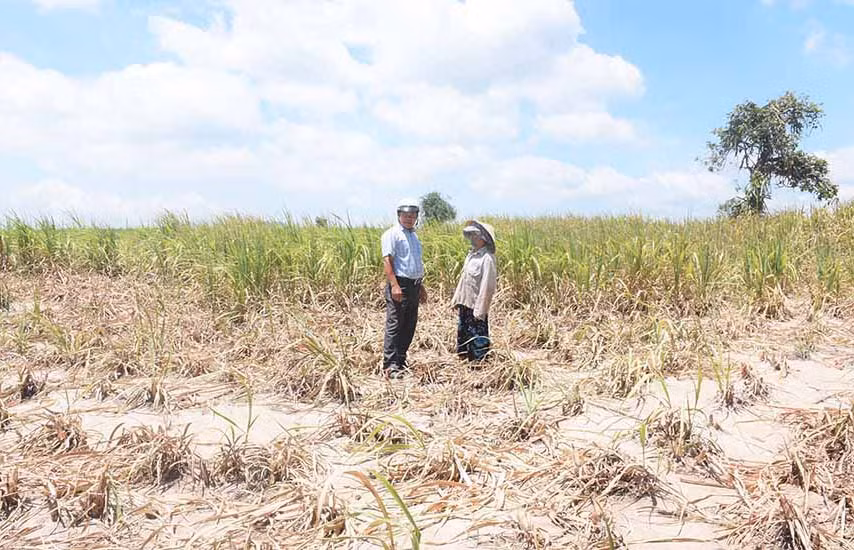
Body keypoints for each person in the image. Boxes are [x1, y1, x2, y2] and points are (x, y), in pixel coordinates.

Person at [381, 198, 428, 379]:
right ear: (399, 216)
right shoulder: (392, 234)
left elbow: (414, 263)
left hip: (414, 285)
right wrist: (394, 285)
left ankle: (401, 360)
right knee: (395, 324)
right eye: (405, 215)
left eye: (412, 216)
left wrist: (421, 286)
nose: (409, 219)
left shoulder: (414, 236)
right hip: (400, 284)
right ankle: (390, 365)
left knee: (410, 324)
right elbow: (388, 261)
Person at [451, 220, 497, 361]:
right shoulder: (471, 256)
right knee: (464, 335)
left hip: (476, 307)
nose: (472, 238)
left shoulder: (487, 259)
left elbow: (487, 286)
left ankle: (479, 365)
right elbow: (464, 280)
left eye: (475, 235)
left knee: (478, 338)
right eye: (470, 235)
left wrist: (480, 310)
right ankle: (466, 362)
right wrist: (456, 299)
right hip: (466, 304)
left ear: (484, 238)